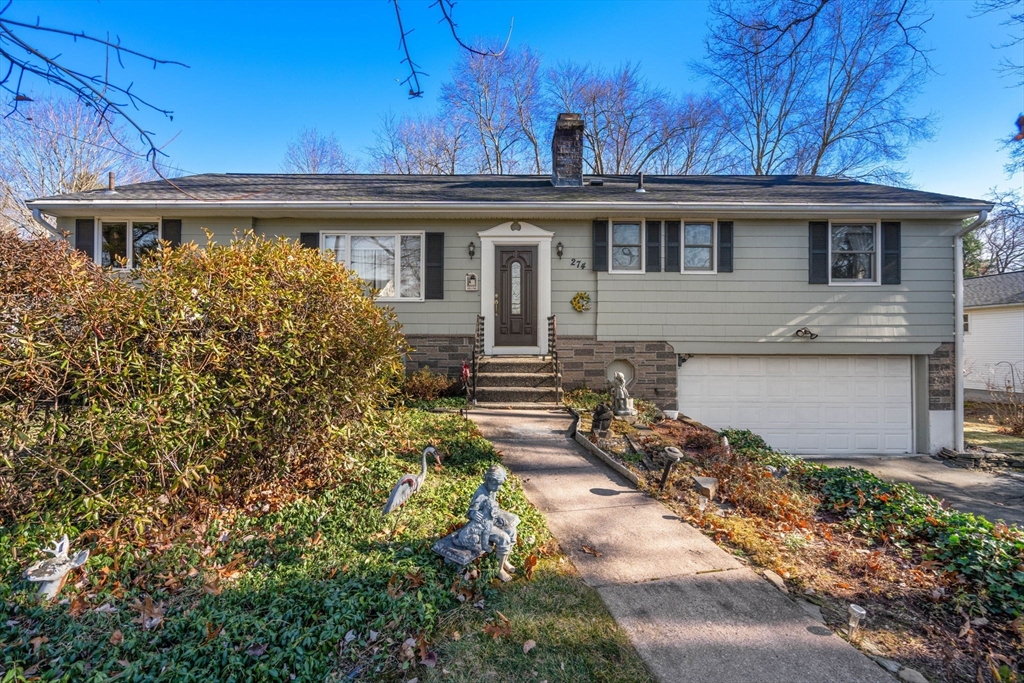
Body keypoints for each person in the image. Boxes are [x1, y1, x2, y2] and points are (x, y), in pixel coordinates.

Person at [455, 464, 520, 581]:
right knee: (504, 538)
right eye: (495, 484)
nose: (498, 488)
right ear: (488, 480)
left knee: (511, 530)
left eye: (500, 485)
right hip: (482, 525)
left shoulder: (492, 490)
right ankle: (498, 570)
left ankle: (504, 561)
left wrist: (499, 516)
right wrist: (474, 513)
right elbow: (470, 513)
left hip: (490, 519)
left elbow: (492, 508)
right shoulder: (480, 493)